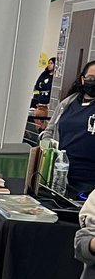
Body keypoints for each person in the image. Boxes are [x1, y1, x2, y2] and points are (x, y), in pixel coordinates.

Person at [42, 60, 95, 196]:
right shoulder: (67, 104)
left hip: (89, 181)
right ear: (82, 79)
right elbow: (49, 131)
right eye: (90, 78)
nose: (93, 81)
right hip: (59, 175)